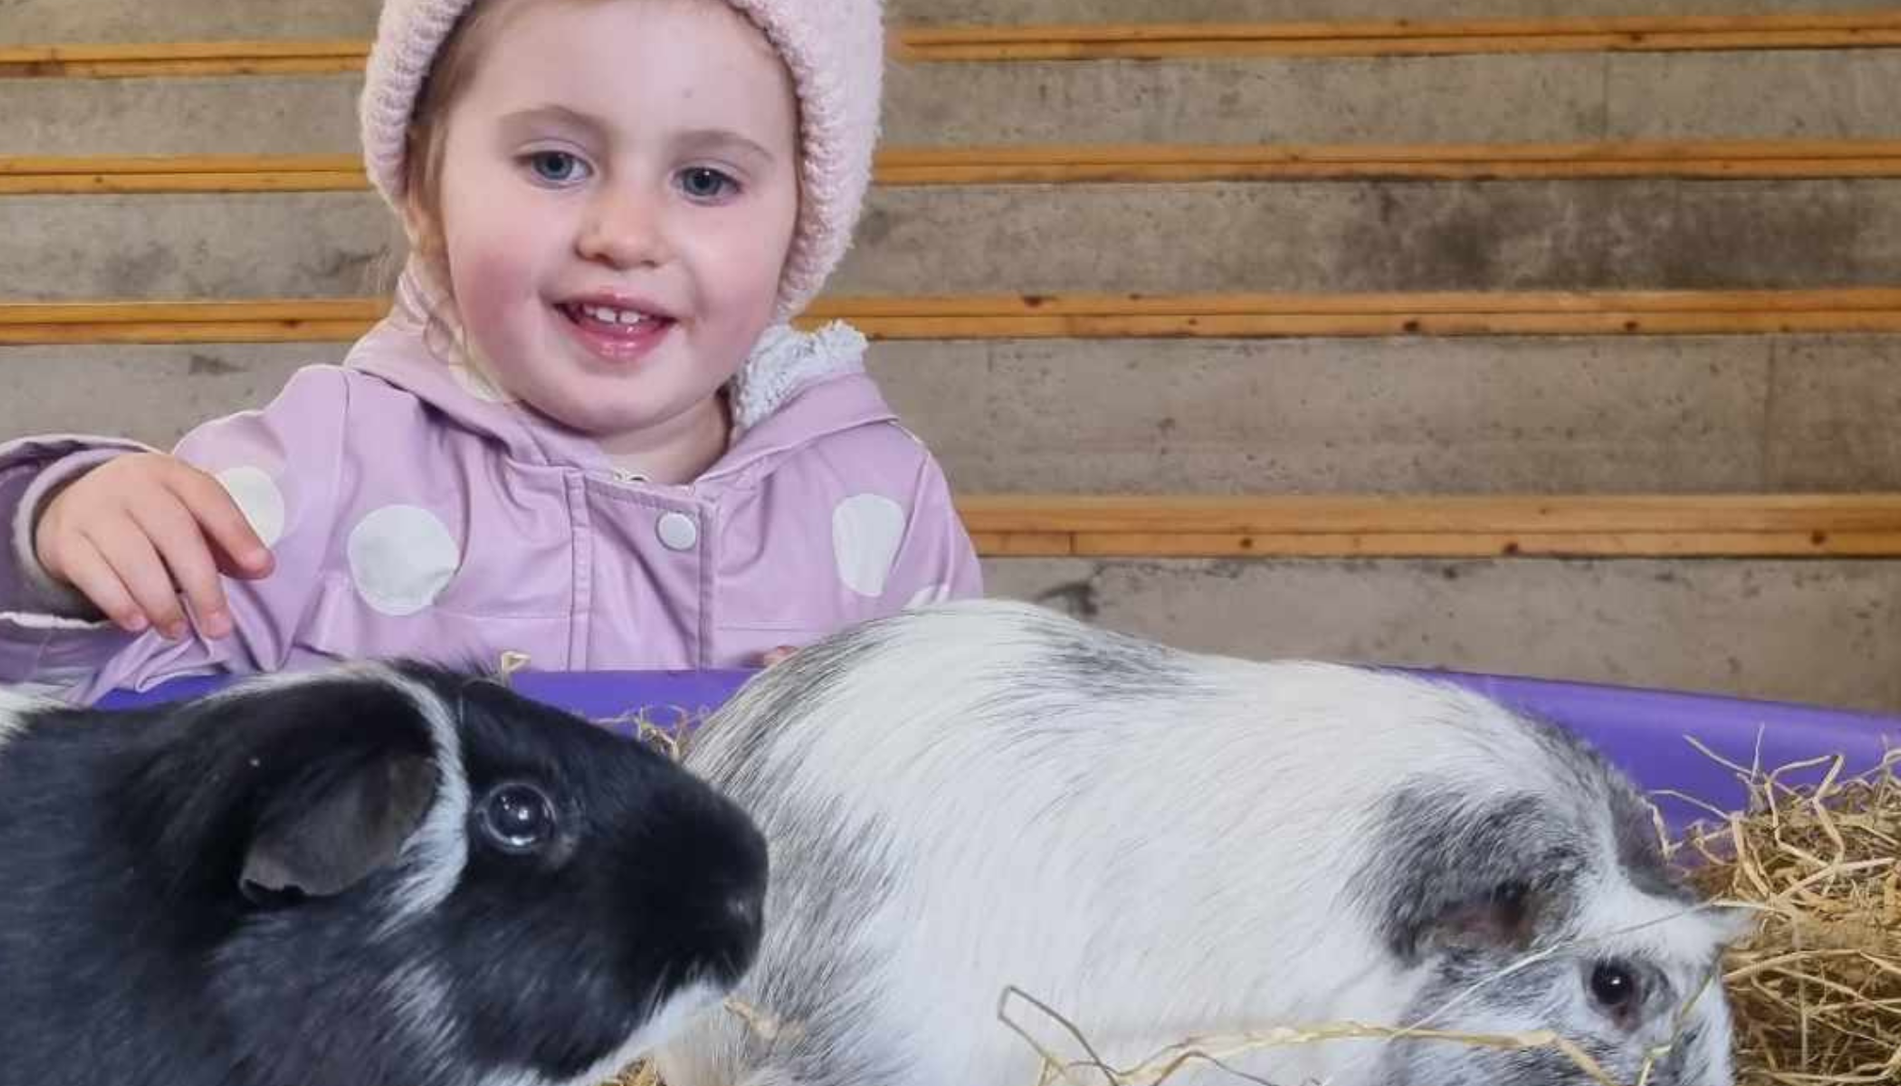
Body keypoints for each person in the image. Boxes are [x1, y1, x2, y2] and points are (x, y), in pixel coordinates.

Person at [0, 0, 981, 704]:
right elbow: (102, 740)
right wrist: (60, 541)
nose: (625, 233)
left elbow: (981, 806)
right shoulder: (327, 462)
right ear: (427, 188)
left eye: (707, 179)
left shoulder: (881, 505)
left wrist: (881, 757)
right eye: (555, 162)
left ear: (800, 223)